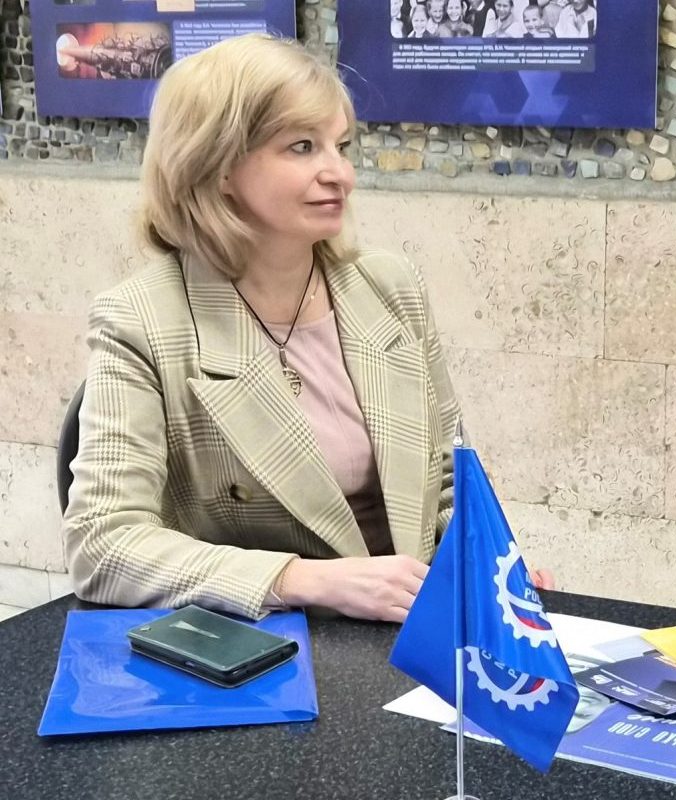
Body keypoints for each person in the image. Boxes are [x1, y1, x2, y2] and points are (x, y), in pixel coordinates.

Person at [61, 34, 553, 625]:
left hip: (411, 627)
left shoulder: (389, 286)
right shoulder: (141, 319)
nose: (340, 174)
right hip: (268, 642)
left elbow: (447, 481)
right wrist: (304, 580)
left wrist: (490, 567)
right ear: (217, 167)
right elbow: (102, 543)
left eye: (340, 146)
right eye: (302, 147)